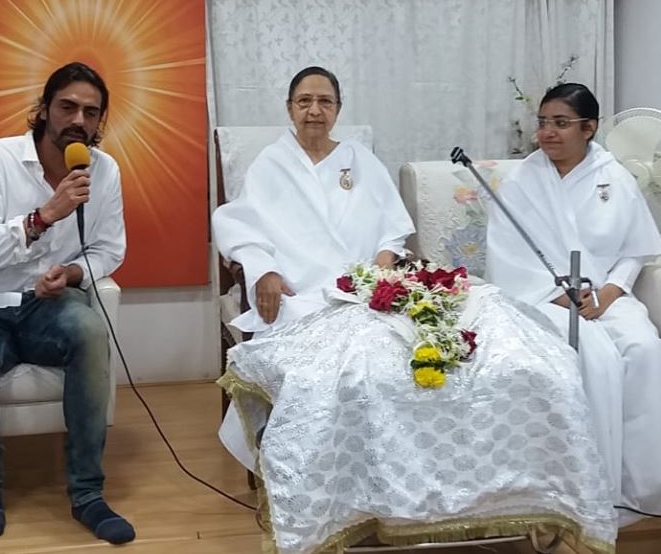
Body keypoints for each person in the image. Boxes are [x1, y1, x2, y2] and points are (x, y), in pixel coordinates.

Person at [213, 68, 617, 554]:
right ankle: (344, 495)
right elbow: (242, 226)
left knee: (441, 359)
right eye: (304, 101)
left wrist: (380, 271)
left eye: (324, 101)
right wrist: (262, 271)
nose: (314, 111)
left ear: (338, 108)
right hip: (305, 297)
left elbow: (391, 233)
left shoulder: (360, 159)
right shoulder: (270, 164)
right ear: (289, 107)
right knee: (335, 377)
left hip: (370, 290)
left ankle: (445, 495)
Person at [0, 62, 134, 543]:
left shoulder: (103, 171)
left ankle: (87, 493)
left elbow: (108, 249)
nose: (78, 120)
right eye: (67, 107)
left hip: (47, 305)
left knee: (89, 330)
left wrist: (72, 274)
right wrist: (44, 217)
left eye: (91, 112)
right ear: (44, 110)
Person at [486, 82, 661, 522]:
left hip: (607, 295)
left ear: (589, 128)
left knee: (644, 348)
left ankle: (640, 488)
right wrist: (556, 295)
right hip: (541, 300)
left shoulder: (614, 176)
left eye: (560, 124)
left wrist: (607, 294)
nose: (547, 133)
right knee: (588, 356)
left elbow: (636, 249)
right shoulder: (522, 179)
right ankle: (578, 485)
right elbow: (506, 254)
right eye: (543, 123)